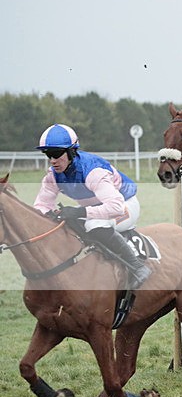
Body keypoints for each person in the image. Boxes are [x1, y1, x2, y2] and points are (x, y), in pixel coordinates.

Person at [33, 124, 152, 289]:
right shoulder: (53, 175)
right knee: (69, 225)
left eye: (56, 154)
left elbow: (115, 207)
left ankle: (137, 266)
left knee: (94, 224)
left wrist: (79, 211)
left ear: (71, 152)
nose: (52, 161)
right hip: (99, 208)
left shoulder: (93, 172)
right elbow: (41, 205)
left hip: (124, 205)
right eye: (48, 155)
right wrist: (51, 215)